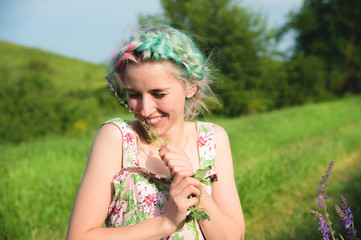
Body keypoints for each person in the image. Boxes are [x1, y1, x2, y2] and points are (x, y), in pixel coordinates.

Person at [66, 26, 245, 240]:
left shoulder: (212, 139)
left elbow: (233, 237)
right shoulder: (116, 138)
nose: (145, 109)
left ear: (191, 87)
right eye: (134, 95)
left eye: (158, 94)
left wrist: (193, 188)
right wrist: (166, 223)